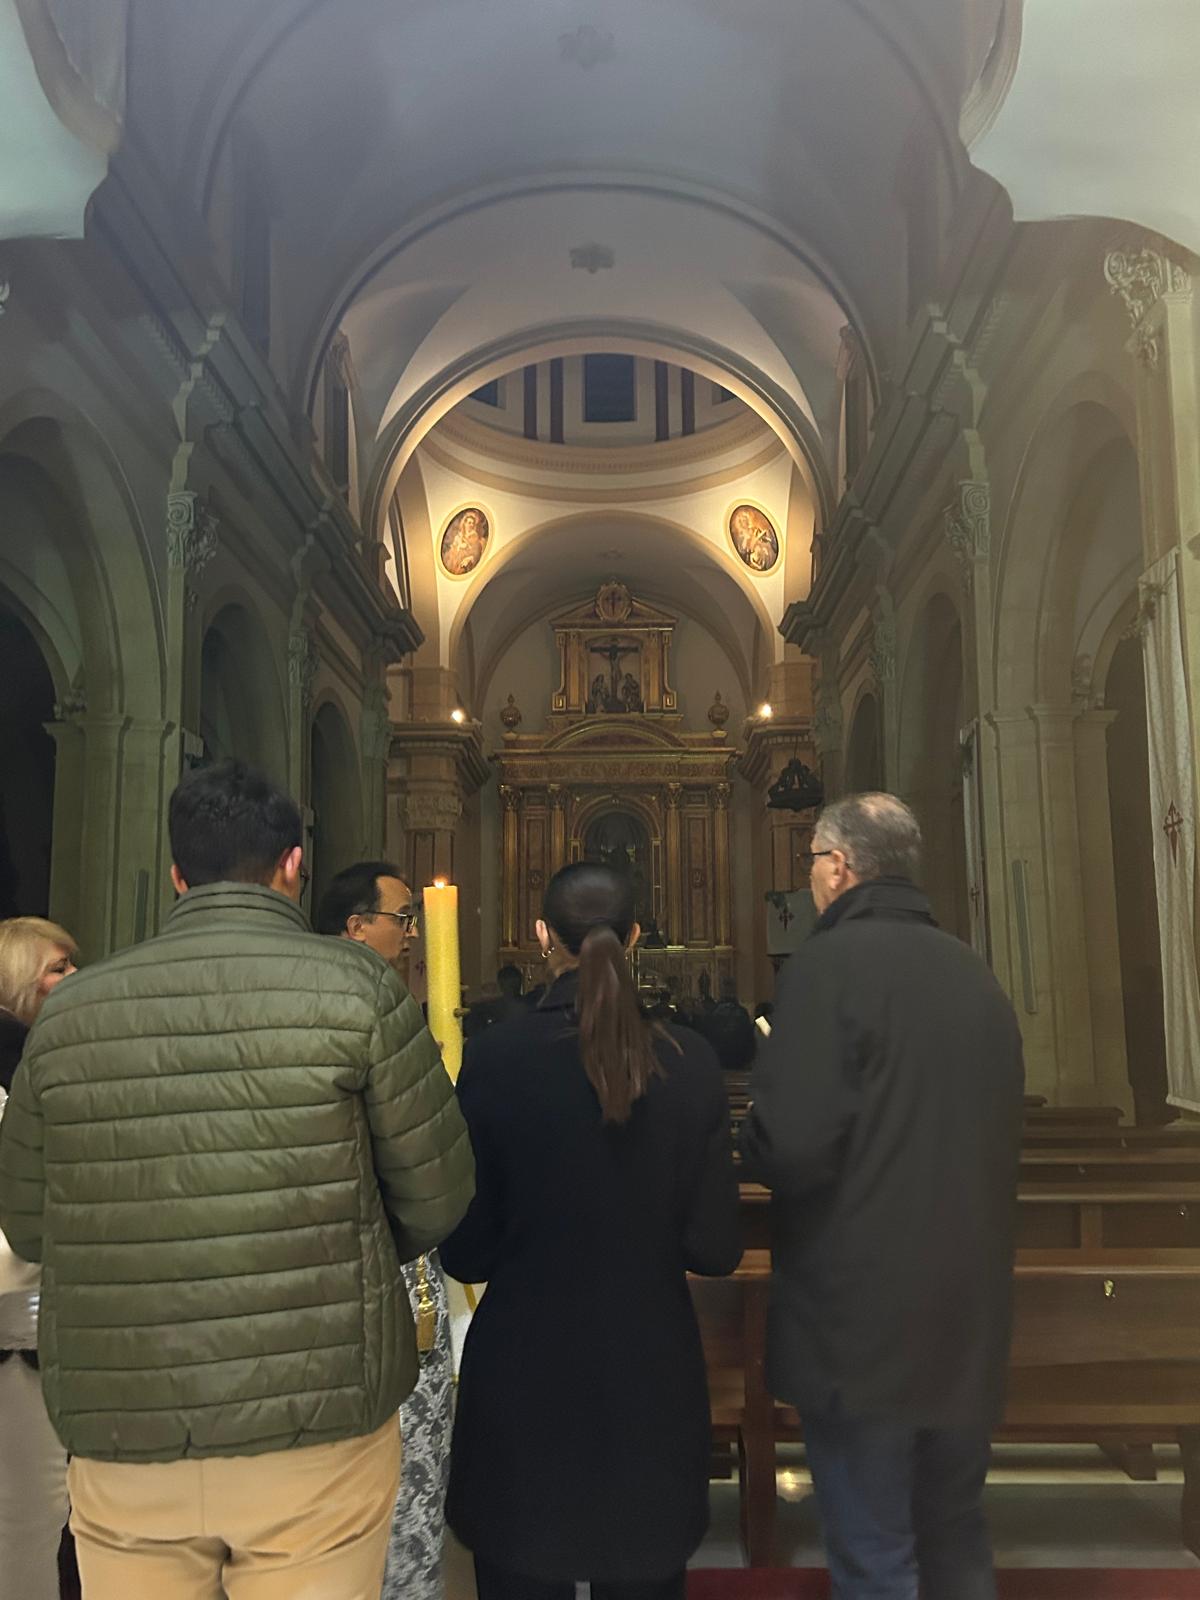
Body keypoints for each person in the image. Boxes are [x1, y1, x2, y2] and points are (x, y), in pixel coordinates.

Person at [0, 761, 475, 1600]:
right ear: (293, 865)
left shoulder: (71, 1014)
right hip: (316, 1417)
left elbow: (31, 1224)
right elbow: (437, 1195)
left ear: (177, 874)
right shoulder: (359, 990)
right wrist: (348, 1243)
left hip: (126, 1421)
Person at [740, 794, 1025, 1600]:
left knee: (875, 1554)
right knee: (955, 1534)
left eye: (811, 862)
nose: (810, 878)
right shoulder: (974, 973)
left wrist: (756, 1133)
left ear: (838, 867)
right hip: (967, 1312)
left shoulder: (826, 968)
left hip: (861, 1319)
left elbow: (789, 1149)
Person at [441, 861, 742, 1600]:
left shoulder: (495, 1060)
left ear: (543, 935)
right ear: (635, 935)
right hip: (648, 1376)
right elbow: (715, 1247)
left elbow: (467, 1250)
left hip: (523, 1377)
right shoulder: (690, 1063)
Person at [317, 860, 455, 1600]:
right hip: (382, 1264)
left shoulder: (302, 1000)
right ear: (355, 926)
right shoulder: (380, 1015)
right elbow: (429, 1171)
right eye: (402, 918)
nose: (412, 934)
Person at [0, 917, 77, 1600]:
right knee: (24, 1526)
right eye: (57, 968)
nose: (75, 977)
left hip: (57, 1326)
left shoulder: (57, 1065)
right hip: (16, 1331)